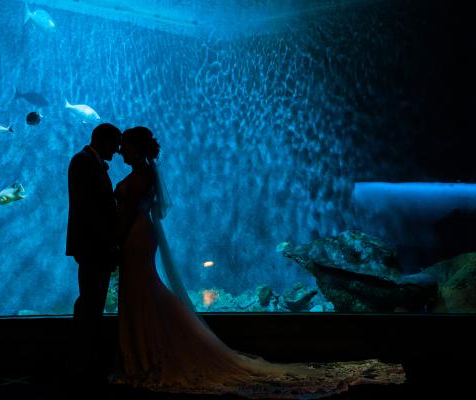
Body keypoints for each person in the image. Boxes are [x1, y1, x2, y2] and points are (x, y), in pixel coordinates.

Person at [108, 126, 406, 398]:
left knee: (142, 291)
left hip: (136, 236)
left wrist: (114, 241)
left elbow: (127, 213)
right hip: (141, 235)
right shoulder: (146, 173)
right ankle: (147, 353)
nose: (122, 151)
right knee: (144, 291)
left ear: (137, 147)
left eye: (125, 146)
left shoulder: (140, 176)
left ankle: (147, 355)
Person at [65, 123, 122, 384]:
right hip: (93, 246)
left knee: (91, 301)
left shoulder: (88, 161)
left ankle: (83, 358)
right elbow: (88, 210)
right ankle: (83, 362)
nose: (118, 149)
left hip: (93, 245)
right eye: (115, 143)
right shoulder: (83, 161)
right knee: (90, 302)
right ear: (103, 140)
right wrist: (108, 242)